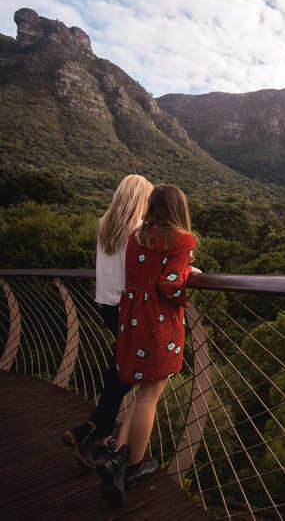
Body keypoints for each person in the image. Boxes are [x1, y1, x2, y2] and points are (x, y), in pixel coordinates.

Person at [98, 184, 199, 507]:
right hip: (158, 324)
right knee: (149, 397)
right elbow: (169, 286)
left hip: (132, 320)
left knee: (141, 391)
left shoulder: (136, 237)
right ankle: (134, 466)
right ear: (179, 208)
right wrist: (187, 269)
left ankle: (119, 455)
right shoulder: (183, 239)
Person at [63, 174, 153, 469]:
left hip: (107, 306)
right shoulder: (139, 231)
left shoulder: (105, 226)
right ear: (142, 199)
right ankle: (96, 436)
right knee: (125, 374)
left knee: (120, 369)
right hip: (129, 309)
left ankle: (93, 433)